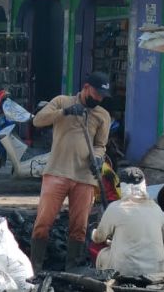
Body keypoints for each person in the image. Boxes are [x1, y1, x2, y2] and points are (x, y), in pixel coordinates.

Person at [29, 72, 113, 272]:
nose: (99, 99)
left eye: (102, 96)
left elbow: (101, 145)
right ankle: (35, 268)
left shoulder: (102, 115)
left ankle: (72, 270)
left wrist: (99, 157)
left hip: (85, 178)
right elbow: (38, 120)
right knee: (43, 223)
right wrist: (64, 112)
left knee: (79, 228)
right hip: (57, 172)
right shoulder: (62, 101)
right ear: (86, 87)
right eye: (96, 93)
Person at [93, 167, 164, 275]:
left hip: (124, 270)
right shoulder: (156, 208)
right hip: (157, 270)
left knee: (102, 254)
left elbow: (99, 238)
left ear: (123, 187)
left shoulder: (115, 208)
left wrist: (93, 233)